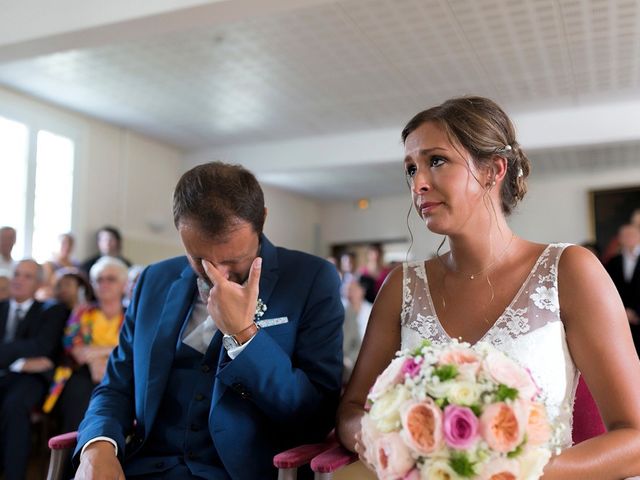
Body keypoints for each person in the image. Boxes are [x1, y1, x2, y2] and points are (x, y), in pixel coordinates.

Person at [337, 96, 640, 478]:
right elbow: (352, 411)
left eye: (436, 161)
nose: (419, 183)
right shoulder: (402, 285)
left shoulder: (571, 271)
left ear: (493, 170)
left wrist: (508, 472)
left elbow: (635, 437)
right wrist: (392, 443)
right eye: (411, 169)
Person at [74, 161, 344, 479]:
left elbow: (315, 416)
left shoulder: (310, 279)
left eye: (233, 260)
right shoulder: (154, 280)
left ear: (262, 221)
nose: (219, 275)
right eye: (201, 260)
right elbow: (116, 388)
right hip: (145, 468)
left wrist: (245, 335)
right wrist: (97, 447)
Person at [0, 259, 68, 480]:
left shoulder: (50, 311)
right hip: (10, 373)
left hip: (32, 379)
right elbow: (31, 348)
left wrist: (6, 354)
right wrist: (20, 359)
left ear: (38, 283)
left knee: (15, 406)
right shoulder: (1, 308)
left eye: (27, 276)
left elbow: (42, 346)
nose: (19, 279)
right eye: (17, 274)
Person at [43, 257, 128, 432]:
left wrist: (100, 356)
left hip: (121, 371)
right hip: (82, 371)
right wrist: (96, 360)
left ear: (124, 284)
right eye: (99, 279)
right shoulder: (83, 311)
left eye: (110, 279)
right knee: (78, 393)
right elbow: (75, 349)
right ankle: (73, 456)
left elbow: (133, 349)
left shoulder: (134, 314)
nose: (104, 284)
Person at [605, 224, 640, 355]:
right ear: (620, 239)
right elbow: (609, 289)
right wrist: (623, 311)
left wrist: (636, 312)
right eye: (625, 236)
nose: (629, 238)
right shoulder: (613, 261)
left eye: (632, 235)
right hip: (621, 318)